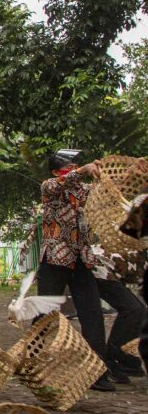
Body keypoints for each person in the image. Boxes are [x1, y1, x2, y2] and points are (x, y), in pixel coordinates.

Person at [36, 149, 115, 392]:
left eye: (76, 163)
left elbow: (108, 194)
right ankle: (32, 363)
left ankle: (96, 371)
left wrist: (122, 173)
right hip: (55, 259)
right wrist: (82, 171)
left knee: (92, 314)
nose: (74, 166)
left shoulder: (83, 191)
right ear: (55, 170)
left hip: (81, 259)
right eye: (68, 164)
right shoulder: (50, 187)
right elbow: (59, 184)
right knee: (44, 316)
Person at [93, 248, 147, 381]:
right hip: (100, 268)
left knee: (137, 310)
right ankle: (111, 360)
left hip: (109, 268)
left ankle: (127, 361)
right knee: (133, 310)